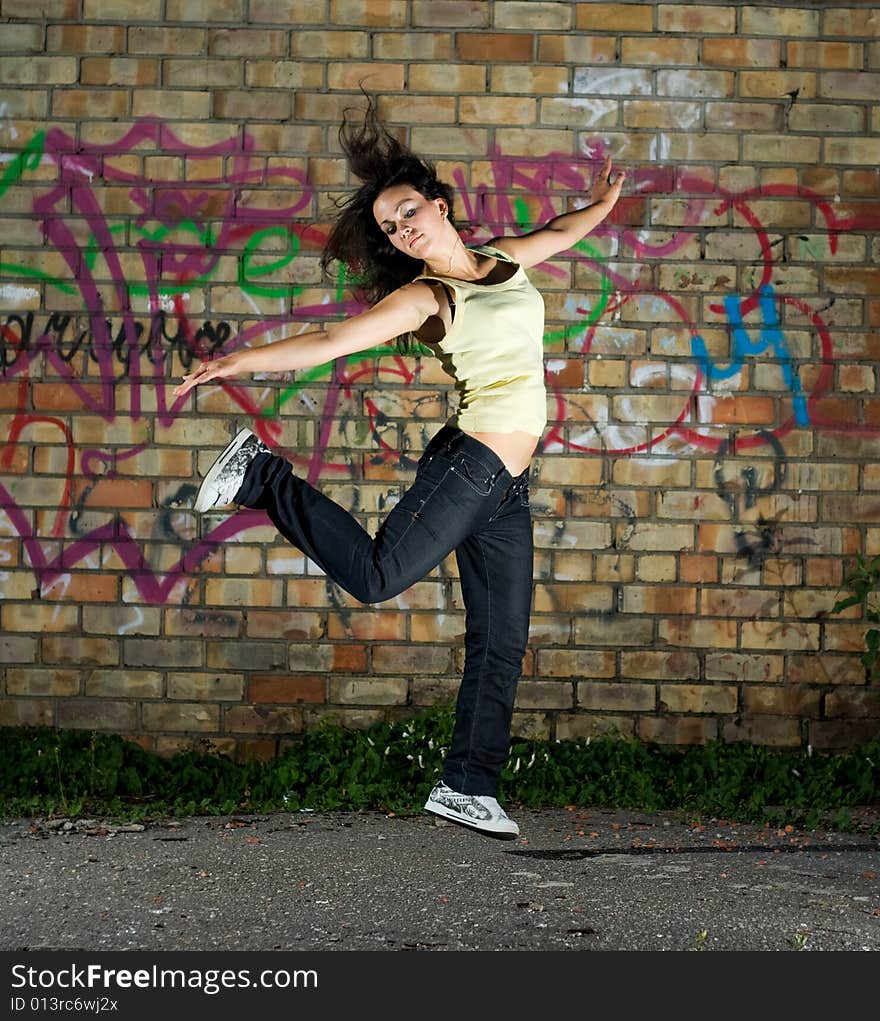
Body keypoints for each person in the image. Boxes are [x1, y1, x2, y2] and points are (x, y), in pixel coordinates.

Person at [173, 100, 625, 839]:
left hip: (505, 488)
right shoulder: (426, 297)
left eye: (408, 212)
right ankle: (260, 474)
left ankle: (467, 785)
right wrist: (233, 362)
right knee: (379, 575)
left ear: (439, 207)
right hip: (471, 465)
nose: (402, 229)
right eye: (390, 227)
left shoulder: (504, 260)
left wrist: (603, 201)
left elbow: (560, 231)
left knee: (502, 637)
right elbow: (328, 341)